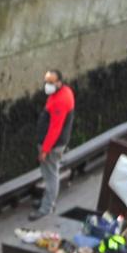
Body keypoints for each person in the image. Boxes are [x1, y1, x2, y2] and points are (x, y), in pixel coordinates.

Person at [36, 68, 75, 217]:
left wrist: (45, 150)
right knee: (48, 174)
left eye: (51, 83)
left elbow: (55, 128)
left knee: (51, 175)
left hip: (53, 145)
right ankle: (48, 199)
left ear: (59, 83)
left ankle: (46, 208)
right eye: (46, 82)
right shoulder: (62, 92)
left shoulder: (60, 100)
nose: (47, 85)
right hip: (54, 143)